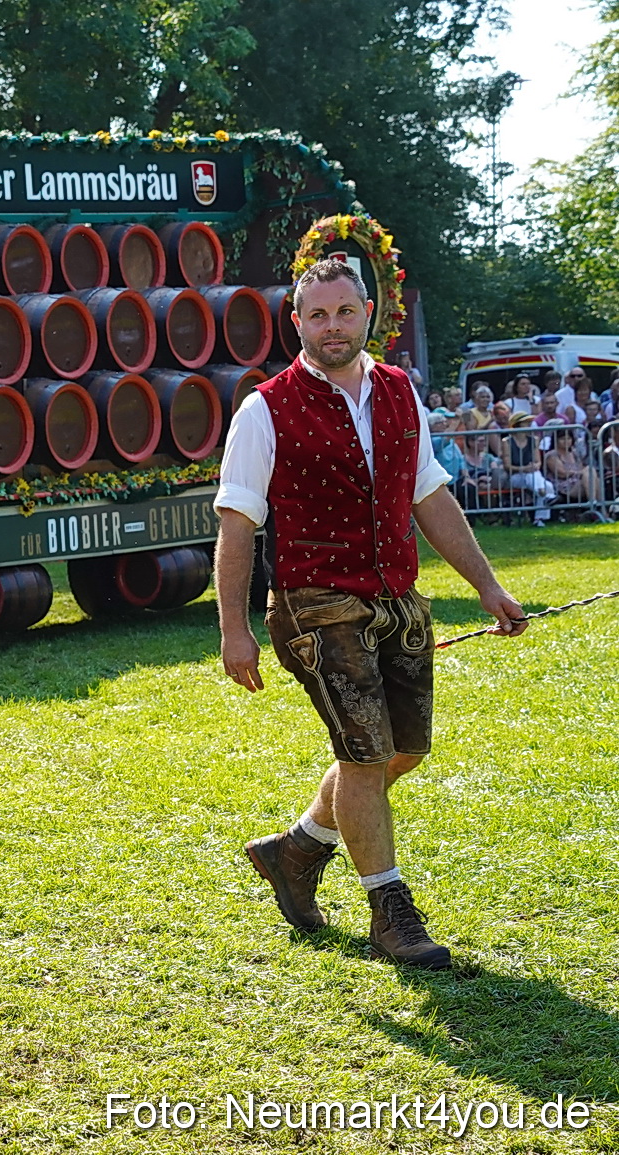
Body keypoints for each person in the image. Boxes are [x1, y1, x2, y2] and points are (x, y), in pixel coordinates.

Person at [216, 258, 527, 970]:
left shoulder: (397, 390)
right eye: (317, 315)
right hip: (313, 601)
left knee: (402, 750)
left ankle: (297, 848)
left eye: (344, 312)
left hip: (395, 597)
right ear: (296, 322)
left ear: (368, 312)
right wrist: (234, 628)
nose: (332, 326)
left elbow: (431, 498)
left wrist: (486, 585)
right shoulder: (265, 407)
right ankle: (391, 912)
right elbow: (237, 525)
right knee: (362, 754)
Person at [505, 411, 556, 526]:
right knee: (536, 481)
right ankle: (548, 498)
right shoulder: (507, 442)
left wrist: (534, 466)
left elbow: (538, 461)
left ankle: (539, 519)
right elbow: (507, 466)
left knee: (547, 486)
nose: (529, 424)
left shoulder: (534, 440)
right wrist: (524, 468)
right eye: (525, 422)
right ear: (517, 425)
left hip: (532, 475)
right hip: (516, 476)